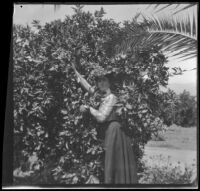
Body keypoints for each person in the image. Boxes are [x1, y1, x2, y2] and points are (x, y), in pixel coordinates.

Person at [72, 63, 138, 184]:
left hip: (115, 132)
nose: (101, 83)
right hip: (109, 131)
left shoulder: (112, 97)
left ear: (109, 83)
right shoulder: (100, 95)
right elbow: (88, 87)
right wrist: (76, 73)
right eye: (99, 81)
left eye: (104, 80)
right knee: (111, 163)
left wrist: (89, 108)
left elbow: (102, 117)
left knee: (113, 162)